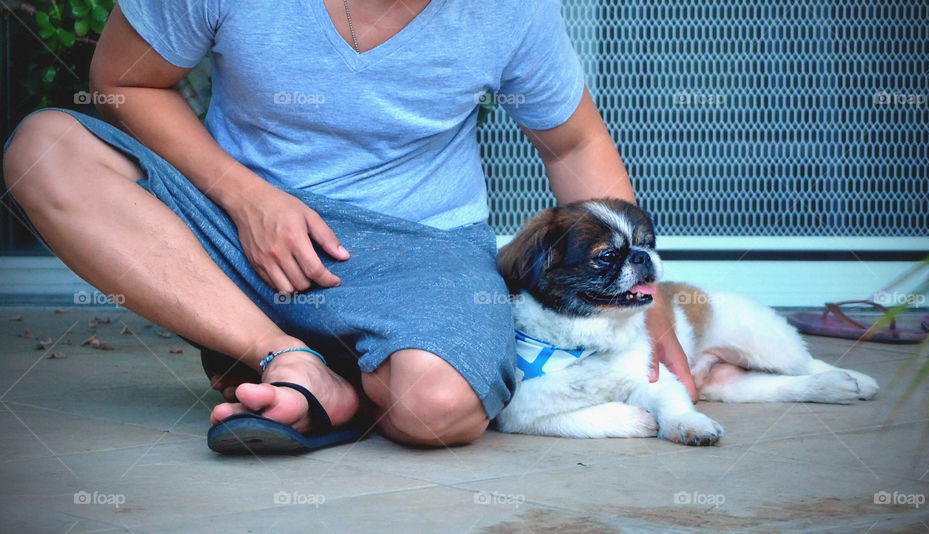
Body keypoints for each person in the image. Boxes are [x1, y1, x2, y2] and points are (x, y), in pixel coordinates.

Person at [2, 0, 697, 450]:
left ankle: (333, 376)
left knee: (436, 410)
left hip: (420, 242)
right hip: (235, 219)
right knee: (46, 150)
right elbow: (120, 79)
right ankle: (285, 354)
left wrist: (641, 299)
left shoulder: (513, 10)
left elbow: (572, 144)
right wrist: (242, 195)